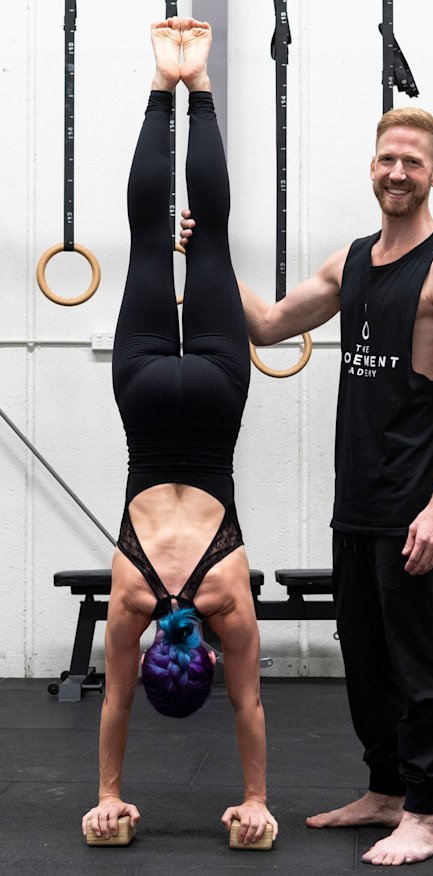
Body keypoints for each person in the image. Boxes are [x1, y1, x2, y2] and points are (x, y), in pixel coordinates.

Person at [182, 103, 433, 866]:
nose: (397, 172)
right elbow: (269, 324)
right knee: (363, 650)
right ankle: (385, 788)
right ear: (373, 166)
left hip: (414, 504)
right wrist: (212, 255)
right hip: (356, 498)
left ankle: (424, 812)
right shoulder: (352, 261)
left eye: (413, 162)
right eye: (388, 158)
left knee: (417, 660)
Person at [81, 17, 278, 849]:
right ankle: (166, 85)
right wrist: (107, 797)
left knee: (211, 238)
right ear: (169, 651)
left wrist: (257, 799)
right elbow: (119, 703)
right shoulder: (132, 602)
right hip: (145, 395)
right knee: (144, 243)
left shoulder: (225, 598)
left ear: (198, 660)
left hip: (215, 400)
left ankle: (191, 85)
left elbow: (250, 705)